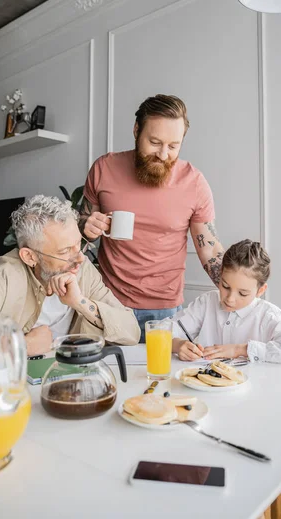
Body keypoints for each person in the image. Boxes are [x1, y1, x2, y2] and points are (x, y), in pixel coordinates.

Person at [80, 94, 225, 341]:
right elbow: (82, 220)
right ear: (137, 130)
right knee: (109, 377)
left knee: (159, 379)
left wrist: (238, 291)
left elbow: (210, 251)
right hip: (108, 303)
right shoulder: (104, 168)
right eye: (155, 142)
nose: (163, 154)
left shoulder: (195, 183)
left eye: (173, 146)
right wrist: (85, 225)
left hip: (165, 312)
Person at [0, 195, 140, 356]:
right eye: (65, 251)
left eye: (78, 244)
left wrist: (80, 302)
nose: (80, 258)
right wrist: (23, 346)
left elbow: (131, 331)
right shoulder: (2, 278)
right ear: (30, 256)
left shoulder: (82, 269)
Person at [172, 239, 281, 370]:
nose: (230, 299)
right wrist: (177, 345)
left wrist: (240, 350)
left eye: (242, 293)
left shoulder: (267, 315)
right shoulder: (206, 303)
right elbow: (160, 331)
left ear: (260, 291)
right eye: (225, 286)